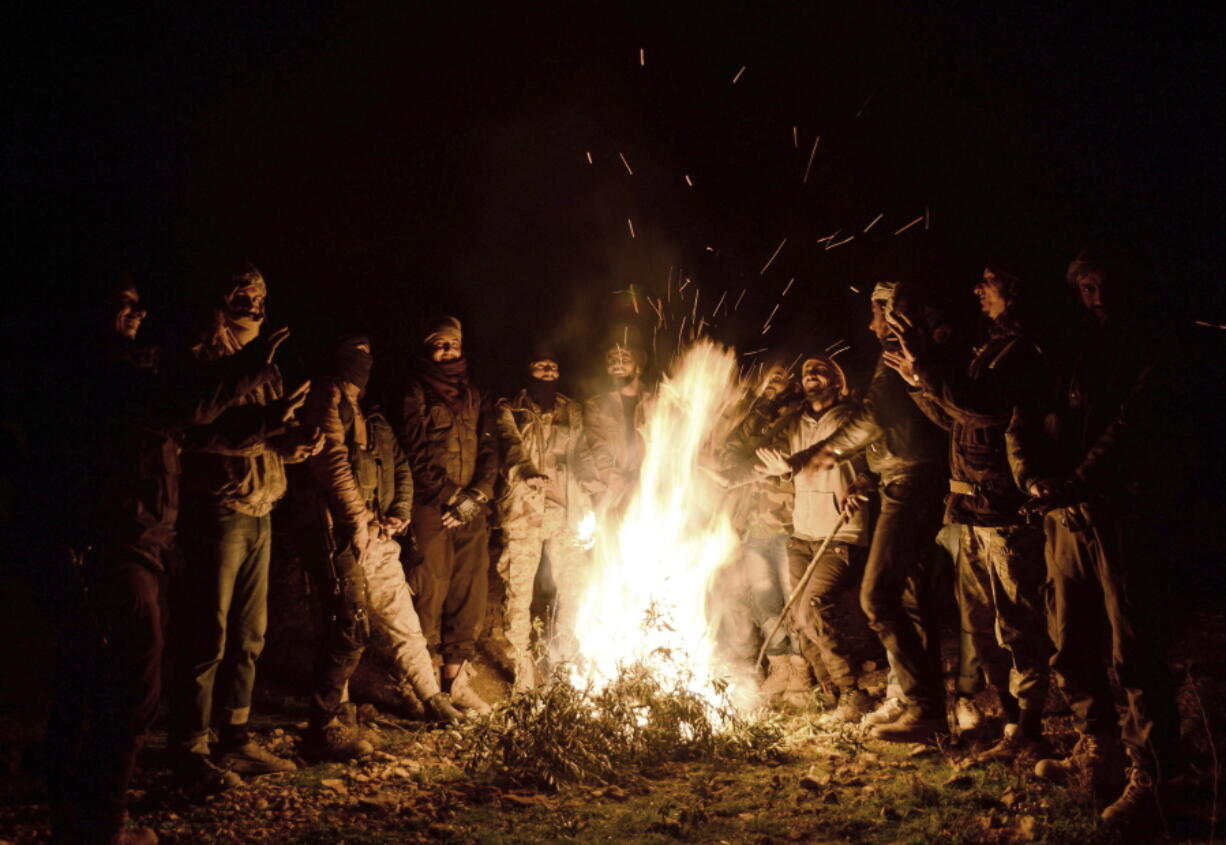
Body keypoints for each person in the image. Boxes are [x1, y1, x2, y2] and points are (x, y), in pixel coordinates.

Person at [49, 280, 280, 843]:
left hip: (137, 543)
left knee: (107, 684)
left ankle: (86, 822)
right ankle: (98, 826)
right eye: (126, 304)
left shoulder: (125, 369)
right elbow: (186, 408)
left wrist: (270, 427)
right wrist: (252, 364)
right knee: (128, 686)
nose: (140, 313)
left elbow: (184, 427)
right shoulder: (103, 372)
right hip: (112, 545)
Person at [1010, 248, 1180, 824]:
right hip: (1065, 516)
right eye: (1086, 286)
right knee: (1070, 641)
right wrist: (1032, 479)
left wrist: (1078, 484)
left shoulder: (1151, 345)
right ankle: (1098, 750)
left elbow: (1135, 423)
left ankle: (1151, 773)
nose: (1097, 296)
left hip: (1121, 515)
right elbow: (1023, 419)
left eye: (1105, 285)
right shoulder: (1066, 348)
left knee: (1133, 649)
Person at [884, 263, 1053, 761]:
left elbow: (984, 408)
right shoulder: (990, 346)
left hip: (1003, 509)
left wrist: (928, 363)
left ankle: (1031, 724)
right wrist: (919, 381)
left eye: (990, 281)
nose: (978, 289)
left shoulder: (1025, 349)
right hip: (971, 509)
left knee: (1017, 624)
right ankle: (1008, 721)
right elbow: (956, 416)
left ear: (1015, 290)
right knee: (981, 627)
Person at [170, 265, 321, 791]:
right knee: (206, 631)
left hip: (261, 504)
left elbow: (266, 428)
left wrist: (290, 444)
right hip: (218, 504)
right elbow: (198, 433)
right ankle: (190, 747)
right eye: (242, 292)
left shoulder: (268, 360)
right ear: (222, 296)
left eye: (260, 293)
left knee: (251, 633)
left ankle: (235, 738)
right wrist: (270, 427)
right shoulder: (205, 354)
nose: (254, 302)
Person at [796, 282, 949, 743]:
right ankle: (914, 697)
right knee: (905, 597)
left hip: (912, 482)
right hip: (899, 480)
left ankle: (925, 705)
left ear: (891, 311)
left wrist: (827, 453)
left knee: (878, 597)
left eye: (875, 311)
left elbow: (875, 416)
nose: (869, 322)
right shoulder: (904, 350)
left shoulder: (900, 348)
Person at [296, 335, 461, 760]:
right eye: (357, 355)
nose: (363, 362)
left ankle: (432, 697)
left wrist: (398, 514)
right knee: (344, 623)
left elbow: (401, 468)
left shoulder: (375, 415)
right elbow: (332, 463)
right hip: (341, 535)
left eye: (370, 355)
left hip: (379, 535)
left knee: (403, 619)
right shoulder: (326, 398)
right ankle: (335, 715)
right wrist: (358, 521)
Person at [757, 356, 874, 721]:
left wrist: (862, 483)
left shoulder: (855, 419)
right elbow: (771, 460)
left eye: (821, 370)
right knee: (797, 616)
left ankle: (852, 692)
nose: (812, 375)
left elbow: (876, 467)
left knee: (814, 605)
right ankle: (830, 691)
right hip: (802, 530)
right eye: (807, 371)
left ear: (838, 382)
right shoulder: (795, 423)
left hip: (841, 530)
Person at [396, 317, 498, 714]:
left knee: (469, 590)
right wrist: (453, 496)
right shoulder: (414, 392)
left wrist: (479, 494)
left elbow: (490, 449)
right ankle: (420, 686)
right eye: (438, 345)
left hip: (472, 506)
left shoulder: (475, 393)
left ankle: (454, 683)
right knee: (429, 589)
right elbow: (415, 451)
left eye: (451, 345)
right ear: (426, 350)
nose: (446, 352)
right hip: (432, 507)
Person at [493, 355, 597, 688]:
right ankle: (521, 662)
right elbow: (509, 446)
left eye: (553, 366)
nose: (548, 371)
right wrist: (525, 471)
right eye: (540, 365)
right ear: (528, 371)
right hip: (524, 510)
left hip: (565, 510)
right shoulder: (510, 407)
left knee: (574, 585)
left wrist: (593, 481)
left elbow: (582, 452)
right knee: (519, 588)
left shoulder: (573, 410)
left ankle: (565, 656)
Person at [718, 363, 808, 706]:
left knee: (794, 601)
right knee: (765, 601)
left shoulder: (797, 416)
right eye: (767, 378)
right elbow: (731, 457)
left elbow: (784, 461)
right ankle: (779, 665)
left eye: (780, 377)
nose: (772, 383)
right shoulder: (752, 418)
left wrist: (751, 468)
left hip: (790, 523)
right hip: (754, 525)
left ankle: (801, 671)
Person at [583, 343, 652, 513]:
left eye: (625, 358)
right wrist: (618, 483)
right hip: (614, 495)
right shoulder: (596, 405)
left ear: (638, 368)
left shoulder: (658, 401)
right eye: (611, 359)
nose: (616, 363)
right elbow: (596, 448)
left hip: (653, 488)